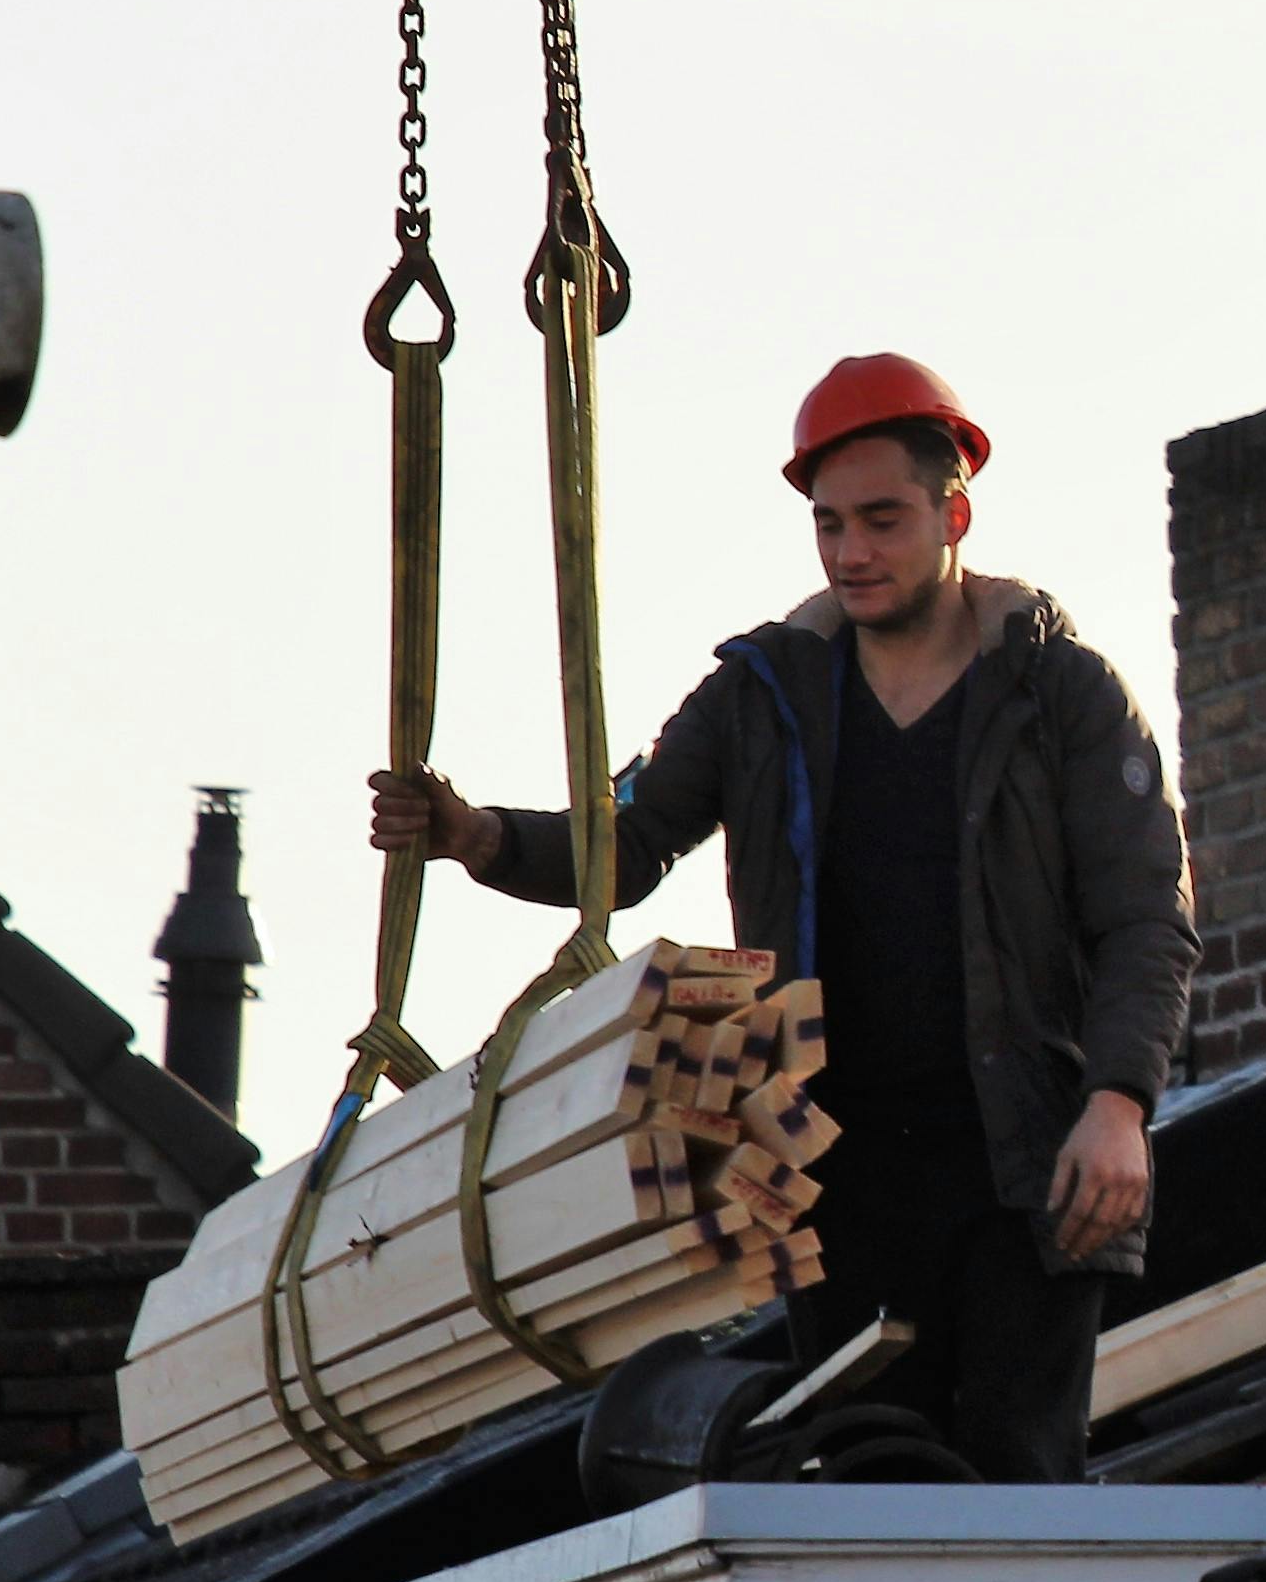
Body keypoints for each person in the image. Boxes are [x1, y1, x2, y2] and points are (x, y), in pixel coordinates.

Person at [371, 352, 1195, 1479]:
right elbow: (631, 836)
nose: (852, 552)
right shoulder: (763, 697)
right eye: (828, 525)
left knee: (1019, 1479)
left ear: (953, 513)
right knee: (859, 1476)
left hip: (1023, 1166)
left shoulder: (1063, 695)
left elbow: (1146, 917)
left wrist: (1118, 1105)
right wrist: (480, 838)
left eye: (882, 521)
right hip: (830, 1175)